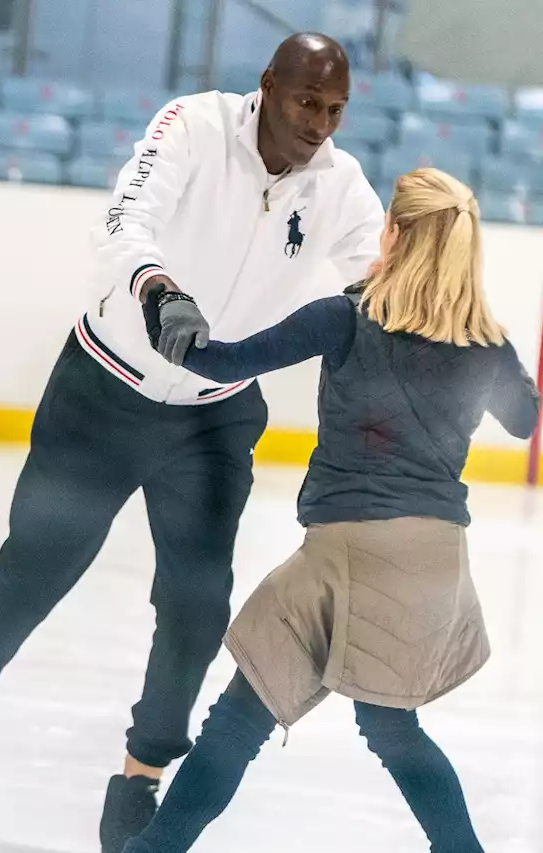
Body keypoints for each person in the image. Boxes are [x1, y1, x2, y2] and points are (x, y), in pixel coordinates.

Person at [0, 32, 387, 852]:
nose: (320, 124)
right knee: (28, 578)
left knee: (197, 606)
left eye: (336, 110)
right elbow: (129, 216)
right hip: (102, 394)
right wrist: (158, 290)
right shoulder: (193, 127)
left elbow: (379, 271)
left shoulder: (339, 183)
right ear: (268, 85)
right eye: (308, 102)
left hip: (214, 416)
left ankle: (141, 776)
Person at [122, 167, 540, 852]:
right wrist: (507, 362)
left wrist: (167, 315)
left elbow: (223, 363)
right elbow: (524, 422)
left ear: (395, 233)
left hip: (346, 548)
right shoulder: (483, 344)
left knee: (238, 721)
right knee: (391, 728)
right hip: (430, 561)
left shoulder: (347, 317)